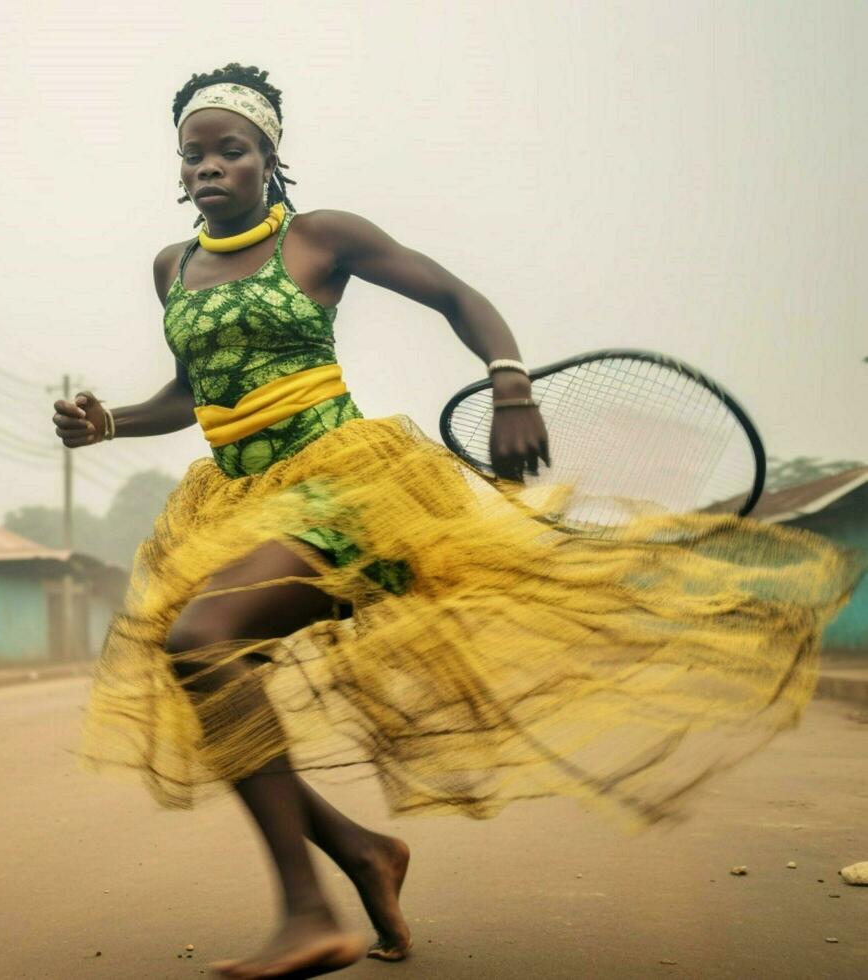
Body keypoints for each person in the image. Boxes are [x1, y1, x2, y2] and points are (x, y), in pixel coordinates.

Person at [55, 64, 859, 979]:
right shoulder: (174, 267)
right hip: (238, 503)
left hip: (341, 493)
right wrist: (111, 420)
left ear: (269, 159)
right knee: (202, 660)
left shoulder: (322, 240)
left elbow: (455, 296)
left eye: (230, 149)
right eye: (192, 154)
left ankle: (309, 914)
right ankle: (363, 852)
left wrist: (510, 381)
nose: (209, 167)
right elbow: (196, 395)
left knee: (203, 639)